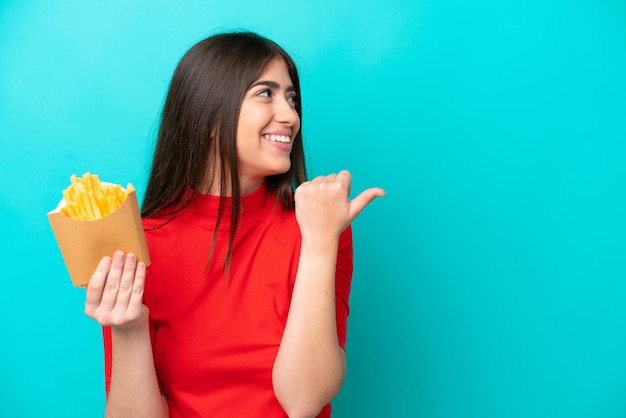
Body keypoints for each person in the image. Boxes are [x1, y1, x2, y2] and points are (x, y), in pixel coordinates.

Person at [84, 31, 385, 418]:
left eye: (292, 98)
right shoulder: (138, 244)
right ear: (209, 116)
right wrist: (128, 329)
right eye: (266, 93)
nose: (291, 116)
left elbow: (304, 401)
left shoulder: (320, 226)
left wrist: (320, 243)